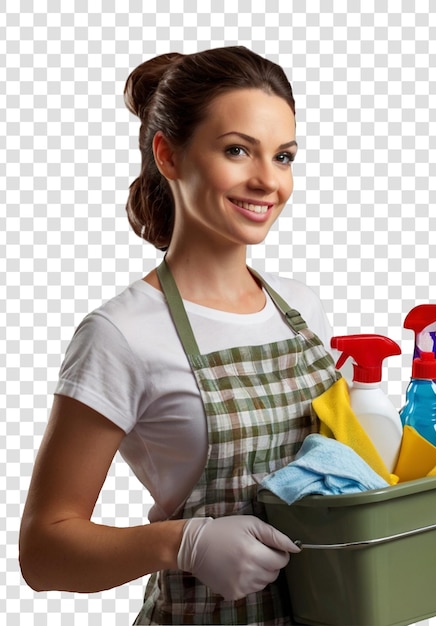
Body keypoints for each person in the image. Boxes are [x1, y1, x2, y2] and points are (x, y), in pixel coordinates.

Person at [19, 47, 341, 625]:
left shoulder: (303, 308)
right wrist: (184, 543)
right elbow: (43, 552)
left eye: (284, 156)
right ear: (168, 154)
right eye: (237, 150)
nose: (268, 180)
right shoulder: (121, 334)